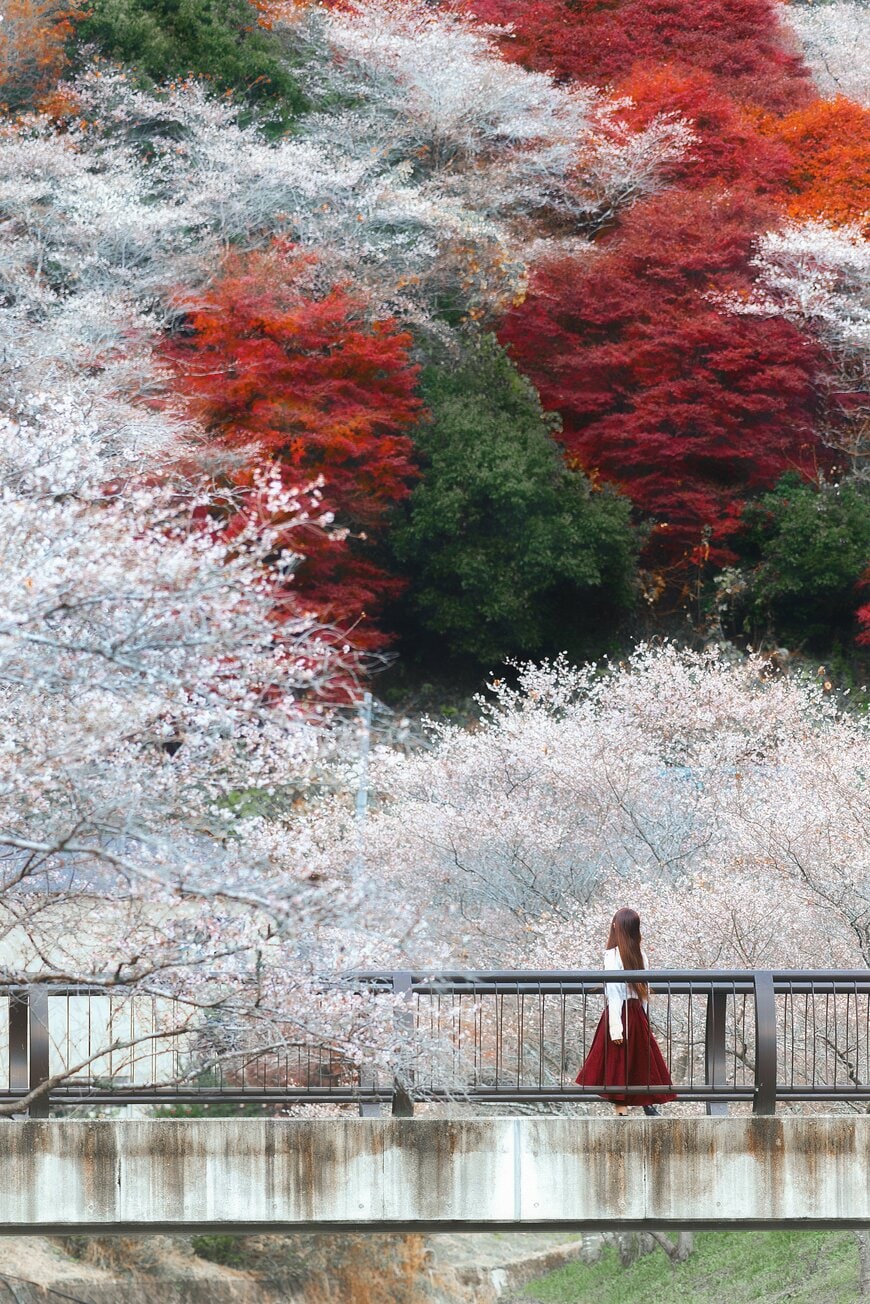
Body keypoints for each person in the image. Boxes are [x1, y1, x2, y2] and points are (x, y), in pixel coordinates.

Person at [575, 907, 676, 1116]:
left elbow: (614, 991)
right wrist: (644, 1016)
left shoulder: (612, 955)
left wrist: (615, 1026)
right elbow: (643, 990)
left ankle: (622, 1110)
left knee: (617, 1062)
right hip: (636, 1012)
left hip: (620, 1012)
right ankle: (647, 1104)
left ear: (616, 926)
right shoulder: (641, 955)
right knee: (641, 1059)